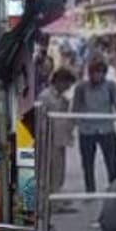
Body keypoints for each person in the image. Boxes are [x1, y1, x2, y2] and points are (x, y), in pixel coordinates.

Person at [71, 58, 116, 193]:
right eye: (94, 73)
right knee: (87, 163)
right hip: (87, 130)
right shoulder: (81, 87)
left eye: (100, 73)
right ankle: (90, 191)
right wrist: (73, 127)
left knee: (112, 162)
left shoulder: (110, 86)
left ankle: (114, 190)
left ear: (104, 73)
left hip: (106, 129)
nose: (97, 76)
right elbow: (75, 108)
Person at [37, 68, 77, 210]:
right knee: (51, 171)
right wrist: (44, 139)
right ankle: (51, 202)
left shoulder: (63, 98)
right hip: (49, 140)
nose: (68, 87)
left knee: (59, 171)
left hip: (61, 139)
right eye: (67, 84)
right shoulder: (45, 97)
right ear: (59, 81)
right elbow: (41, 120)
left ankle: (55, 197)